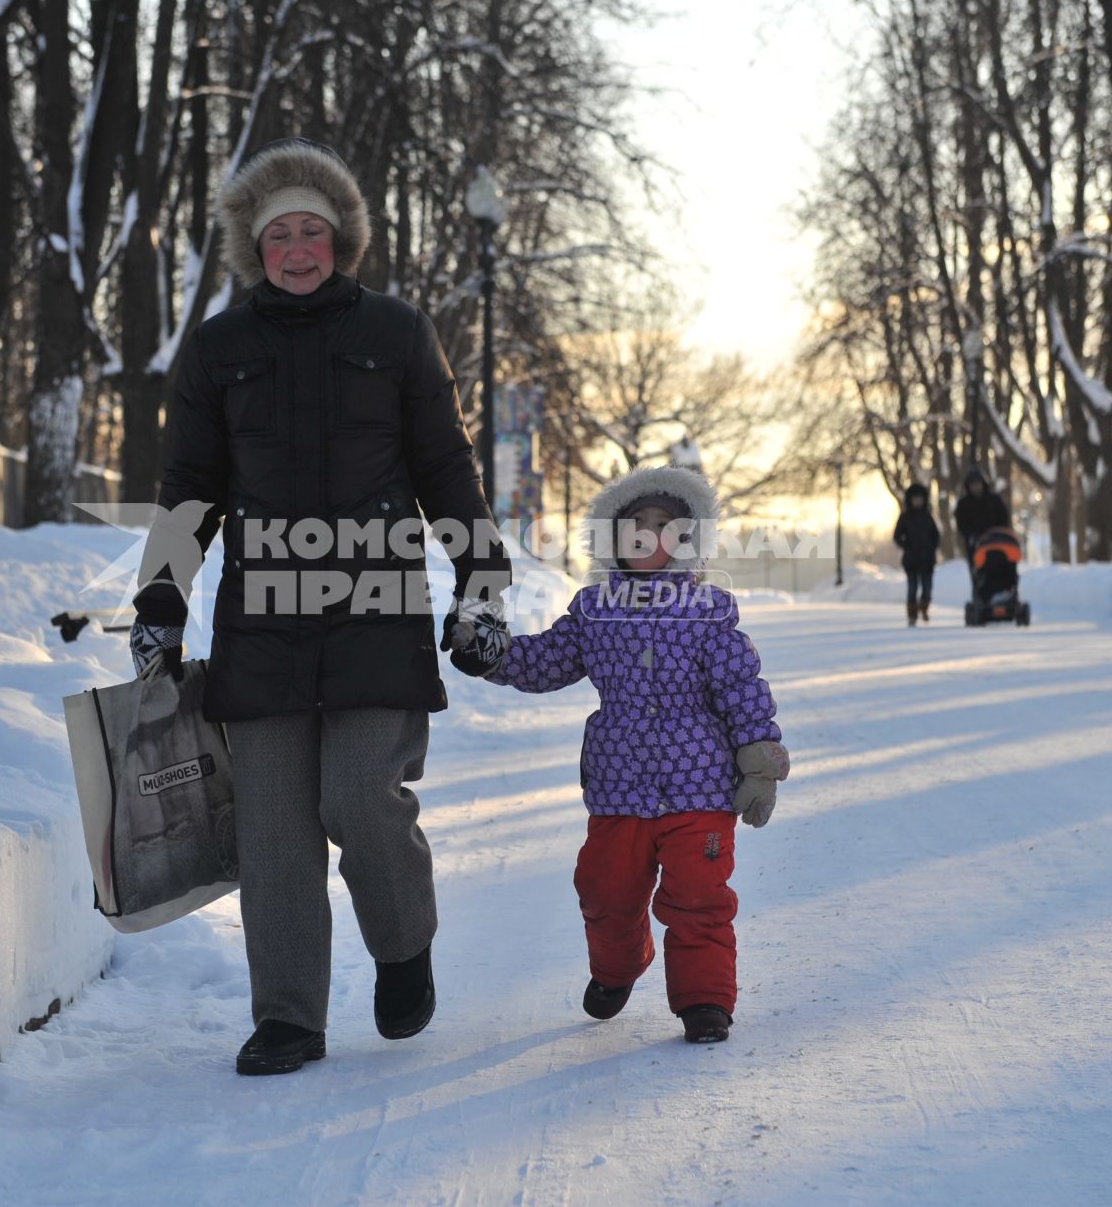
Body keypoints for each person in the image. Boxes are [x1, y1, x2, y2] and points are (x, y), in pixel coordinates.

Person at [128, 139, 511, 1076]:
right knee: (271, 827)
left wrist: (483, 583)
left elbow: (443, 467)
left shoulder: (396, 332)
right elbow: (190, 489)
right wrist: (161, 601)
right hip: (262, 614)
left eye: (313, 232)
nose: (297, 250)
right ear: (253, 250)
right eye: (278, 235)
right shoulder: (220, 350)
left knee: (359, 797)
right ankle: (289, 1016)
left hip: (377, 603)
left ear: (342, 240)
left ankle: (402, 943)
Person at [444, 466, 785, 1045]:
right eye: (636, 526)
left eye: (665, 526)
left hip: (700, 788)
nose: (649, 536)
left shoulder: (708, 612)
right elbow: (547, 661)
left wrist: (758, 762)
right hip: (619, 786)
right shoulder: (594, 611)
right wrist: (491, 650)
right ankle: (618, 968)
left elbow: (741, 687)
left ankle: (704, 1000)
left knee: (698, 896)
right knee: (604, 890)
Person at [892, 482, 941, 626]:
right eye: (915, 498)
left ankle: (924, 608)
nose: (917, 501)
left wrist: (932, 547)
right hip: (911, 560)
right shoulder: (905, 517)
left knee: (927, 587)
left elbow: (936, 535)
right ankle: (912, 614)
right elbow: (897, 536)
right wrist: (906, 546)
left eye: (920, 498)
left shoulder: (928, 517)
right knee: (912, 587)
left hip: (927, 559)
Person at [954, 465, 1010, 548]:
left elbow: (1004, 518)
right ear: (968, 486)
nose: (976, 486)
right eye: (972, 484)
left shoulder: (994, 500)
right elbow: (962, 525)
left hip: (997, 542)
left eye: (978, 483)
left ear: (983, 483)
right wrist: (972, 536)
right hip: (975, 545)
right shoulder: (963, 504)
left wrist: (997, 534)